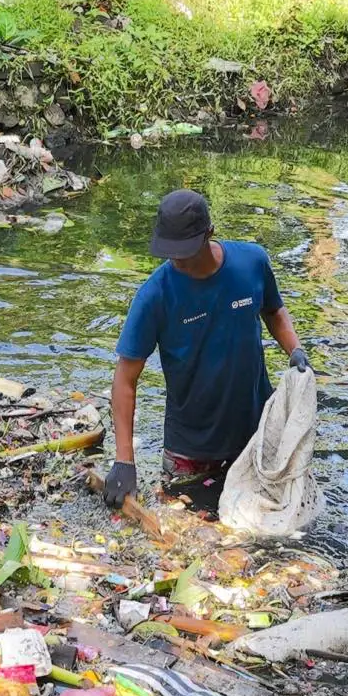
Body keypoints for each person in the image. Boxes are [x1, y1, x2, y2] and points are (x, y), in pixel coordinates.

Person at [106, 190, 306, 509]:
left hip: (255, 435)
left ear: (209, 233)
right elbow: (125, 380)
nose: (177, 260)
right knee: (190, 541)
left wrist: (294, 349)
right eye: (170, 251)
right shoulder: (154, 296)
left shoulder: (252, 261)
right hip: (190, 450)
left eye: (184, 250)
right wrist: (124, 461)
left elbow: (274, 311)